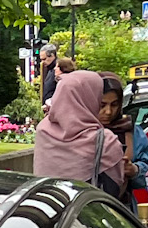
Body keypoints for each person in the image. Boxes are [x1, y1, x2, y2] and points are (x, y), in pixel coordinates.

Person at [32, 69, 129, 197]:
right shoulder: (106, 141)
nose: (108, 111)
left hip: (48, 207)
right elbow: (115, 188)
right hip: (87, 212)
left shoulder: (43, 130)